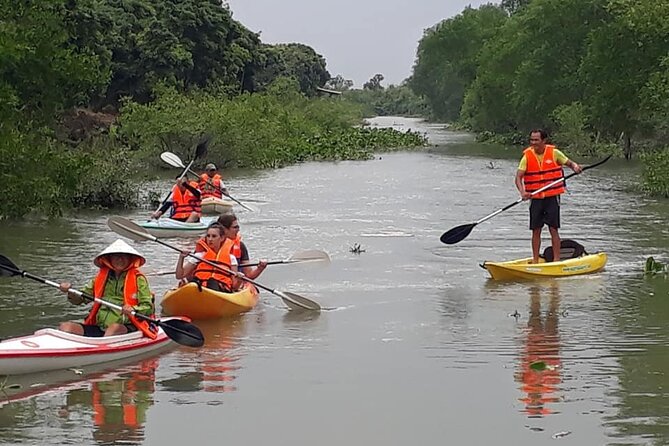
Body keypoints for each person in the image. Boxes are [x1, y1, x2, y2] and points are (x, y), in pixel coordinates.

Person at [58, 239, 157, 338]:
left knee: (114, 328)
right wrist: (70, 291)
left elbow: (148, 308)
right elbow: (80, 299)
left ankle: (101, 349)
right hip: (99, 326)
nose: (120, 260)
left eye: (124, 256)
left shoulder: (138, 279)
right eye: (116, 256)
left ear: (130, 259)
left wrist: (133, 309)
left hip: (127, 325)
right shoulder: (100, 278)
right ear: (109, 259)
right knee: (65, 326)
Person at [515, 129, 582, 263]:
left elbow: (569, 163)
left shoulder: (554, 153)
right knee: (536, 230)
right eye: (531, 140)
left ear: (544, 141)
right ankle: (535, 261)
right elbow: (518, 177)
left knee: (553, 229)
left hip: (552, 197)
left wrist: (575, 167)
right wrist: (523, 192)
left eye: (536, 140)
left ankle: (556, 260)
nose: (533, 143)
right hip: (536, 198)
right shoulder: (527, 156)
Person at [175, 223, 242, 292]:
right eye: (208, 236)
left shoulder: (231, 258)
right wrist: (181, 258)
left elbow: (234, 287)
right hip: (200, 287)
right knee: (194, 283)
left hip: (220, 290)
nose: (210, 239)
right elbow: (179, 276)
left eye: (214, 236)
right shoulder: (199, 256)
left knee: (212, 281)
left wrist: (239, 280)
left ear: (222, 238)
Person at [216, 213, 267, 280]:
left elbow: (249, 275)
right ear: (224, 229)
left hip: (235, 283)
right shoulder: (211, 244)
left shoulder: (241, 246)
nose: (238, 230)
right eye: (235, 227)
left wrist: (260, 268)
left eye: (238, 227)